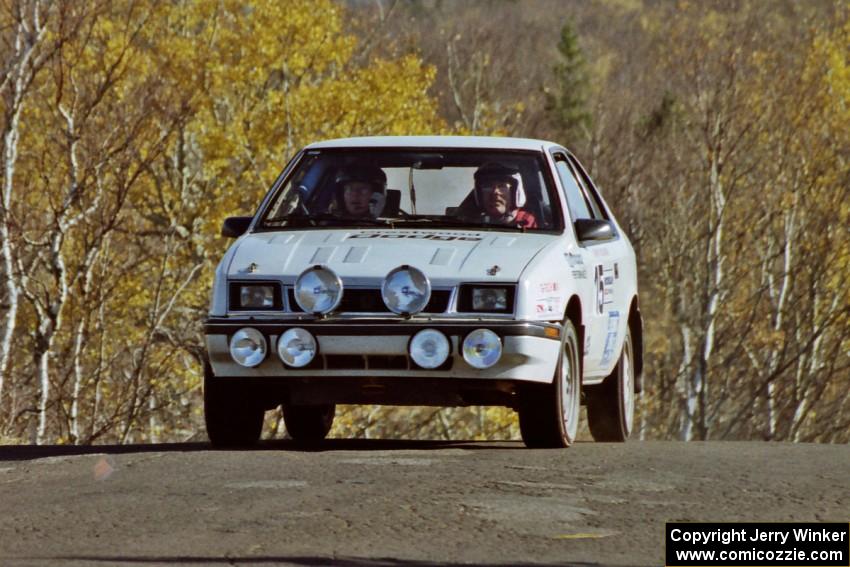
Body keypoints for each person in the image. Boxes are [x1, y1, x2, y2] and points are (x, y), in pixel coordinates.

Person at [472, 162, 537, 228]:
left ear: (515, 191)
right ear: (480, 193)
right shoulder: (471, 224)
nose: (495, 192)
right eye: (488, 186)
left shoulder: (529, 223)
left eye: (502, 186)